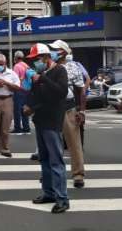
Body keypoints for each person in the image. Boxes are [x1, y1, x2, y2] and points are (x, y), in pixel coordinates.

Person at [26, 43, 70, 214]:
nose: (35, 63)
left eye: (37, 59)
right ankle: (49, 192)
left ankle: (62, 198)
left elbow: (61, 92)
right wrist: (29, 105)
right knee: (44, 159)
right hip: (40, 120)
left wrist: (43, 78)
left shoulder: (59, 71)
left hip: (53, 121)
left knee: (55, 161)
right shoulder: (39, 74)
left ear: (46, 58)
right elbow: (34, 94)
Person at [48, 40, 86, 188]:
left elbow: (80, 90)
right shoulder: (49, 67)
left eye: (55, 49)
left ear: (63, 52)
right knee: (51, 143)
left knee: (74, 143)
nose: (52, 51)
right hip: (51, 109)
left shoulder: (74, 67)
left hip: (68, 108)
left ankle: (78, 174)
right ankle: (52, 173)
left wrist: (81, 110)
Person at [11, 51, 30, 134]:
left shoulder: (17, 66)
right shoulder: (26, 65)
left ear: (16, 58)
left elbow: (15, 79)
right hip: (26, 90)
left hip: (18, 90)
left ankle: (17, 128)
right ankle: (26, 127)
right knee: (24, 109)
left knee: (17, 110)